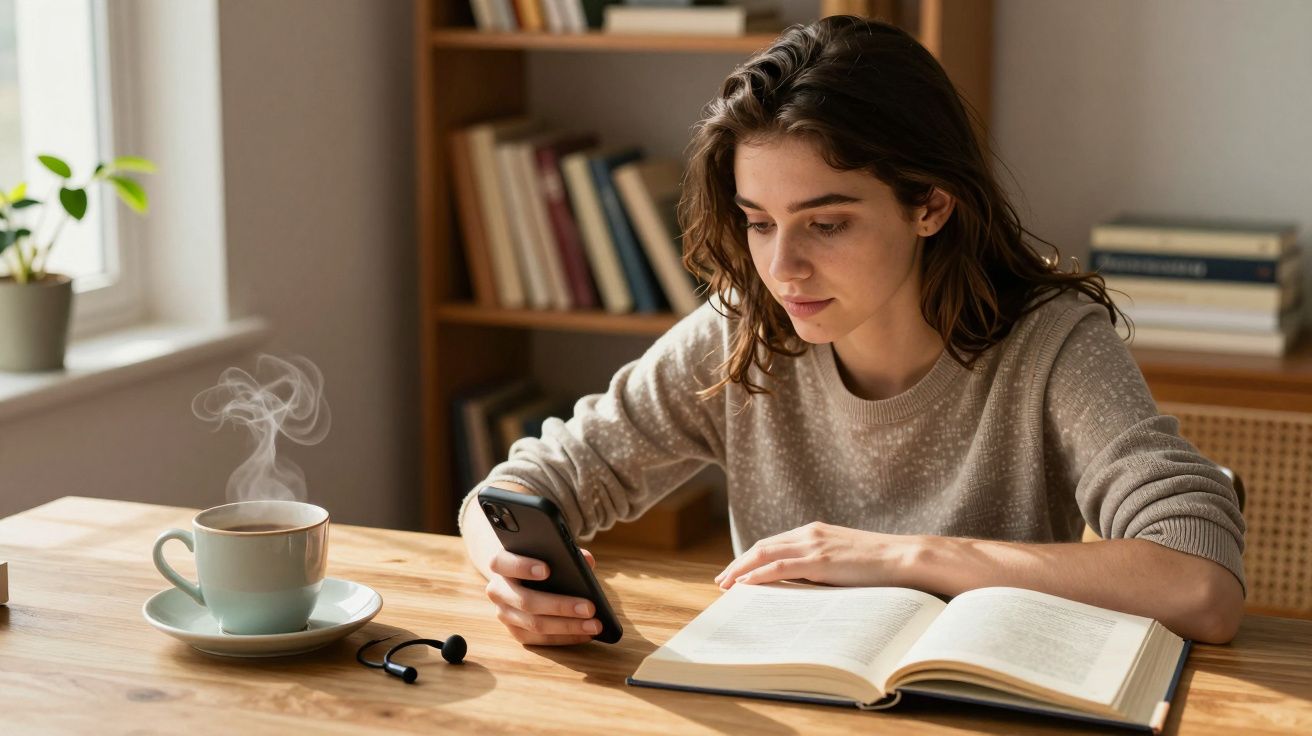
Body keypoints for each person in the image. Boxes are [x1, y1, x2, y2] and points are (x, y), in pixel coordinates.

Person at [459, 16, 1246, 647]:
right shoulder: (746, 331)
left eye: (826, 223)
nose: (782, 266)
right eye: (759, 222)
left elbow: (1200, 582)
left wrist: (904, 557)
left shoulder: (1052, 346)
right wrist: (506, 566)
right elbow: (513, 491)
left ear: (930, 206)